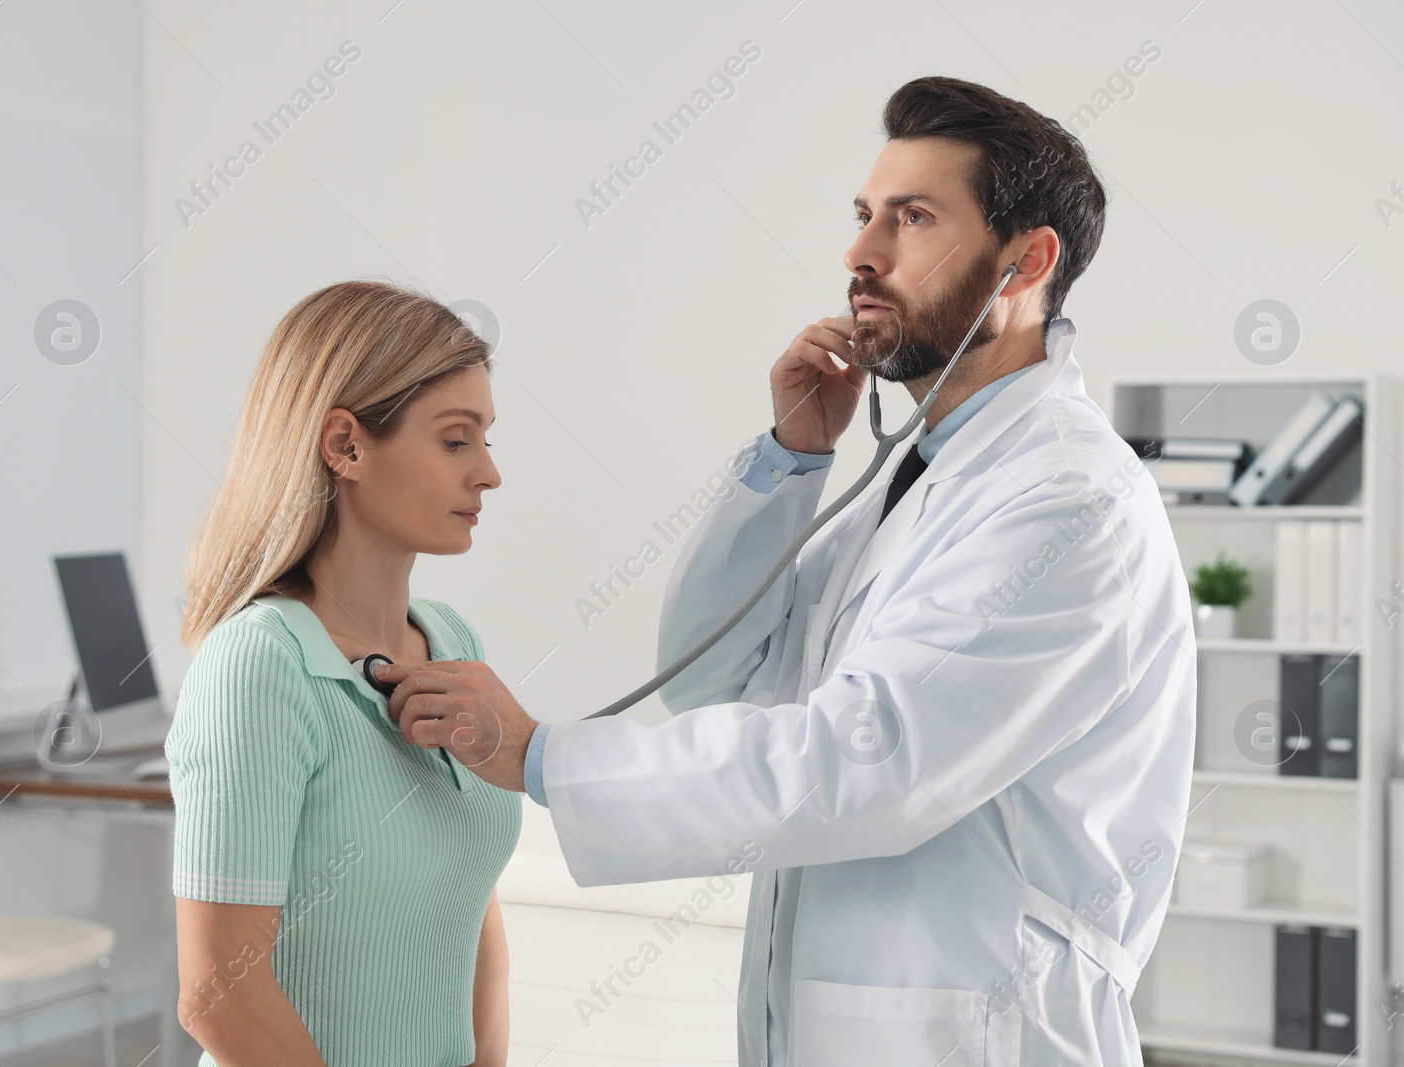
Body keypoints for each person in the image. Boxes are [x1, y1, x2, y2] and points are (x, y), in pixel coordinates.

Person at [387, 76, 1197, 1065]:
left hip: (981, 1031)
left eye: (913, 218)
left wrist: (540, 755)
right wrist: (789, 461)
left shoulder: (1068, 500)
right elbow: (712, 676)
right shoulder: (920, 470)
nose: (862, 253)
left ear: (1023, 261)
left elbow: (869, 757)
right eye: (865, 216)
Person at [167, 281, 518, 1067]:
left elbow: (473, 903)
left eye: (487, 440)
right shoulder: (258, 664)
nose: (488, 473)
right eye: (457, 440)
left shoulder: (452, 638)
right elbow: (218, 991)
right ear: (346, 445)